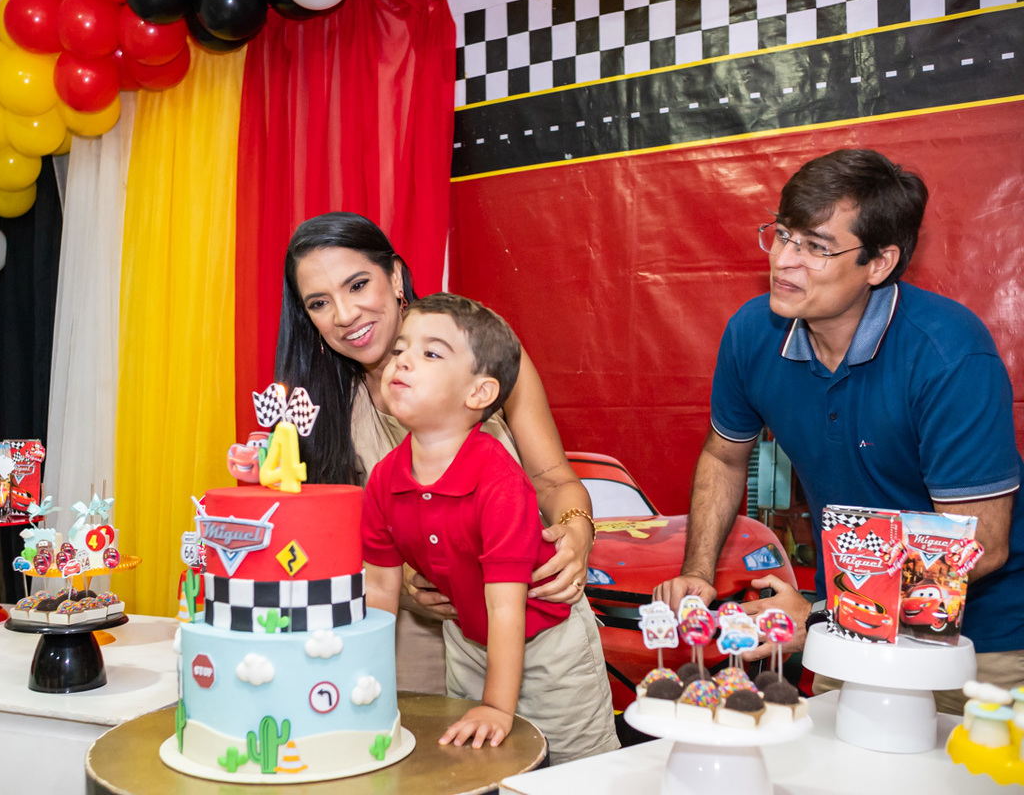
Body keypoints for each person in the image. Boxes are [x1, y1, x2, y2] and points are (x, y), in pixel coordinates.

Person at [654, 149, 1024, 713]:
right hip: (847, 623)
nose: (784, 260)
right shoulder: (754, 332)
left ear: (878, 263)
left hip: (980, 640)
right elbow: (725, 458)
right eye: (782, 235)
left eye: (816, 246)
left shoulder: (947, 354)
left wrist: (828, 612)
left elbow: (980, 544)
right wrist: (698, 571)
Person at [276, 212, 596, 694]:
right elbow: (320, 545)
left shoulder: (482, 354)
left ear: (396, 276)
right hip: (404, 645)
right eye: (320, 302)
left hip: (536, 638)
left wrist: (578, 527)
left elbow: (551, 477)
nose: (344, 315)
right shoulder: (310, 406)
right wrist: (404, 580)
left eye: (358, 285)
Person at [361, 293, 619, 763]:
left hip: (547, 647)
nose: (403, 361)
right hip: (468, 640)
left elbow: (506, 607)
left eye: (430, 353)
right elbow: (379, 587)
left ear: (478, 393)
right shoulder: (384, 478)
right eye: (400, 349)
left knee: (577, 772)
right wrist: (368, 685)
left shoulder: (497, 479)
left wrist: (498, 706)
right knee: (480, 764)